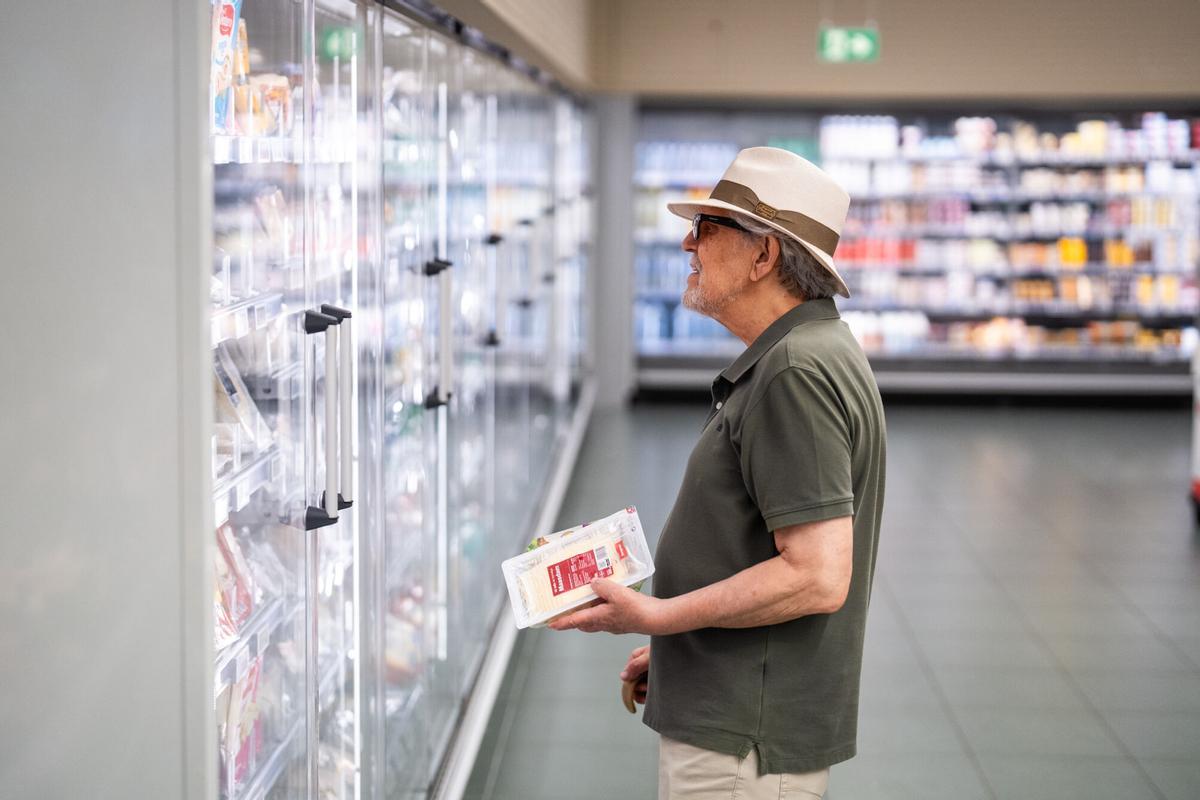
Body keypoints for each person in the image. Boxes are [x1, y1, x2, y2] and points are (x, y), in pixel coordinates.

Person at [548, 147, 886, 800]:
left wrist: (660, 614)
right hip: (740, 710)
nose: (686, 243)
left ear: (764, 256)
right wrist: (684, 649)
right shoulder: (805, 354)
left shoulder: (795, 374)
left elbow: (816, 576)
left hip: (744, 744)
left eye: (707, 228)